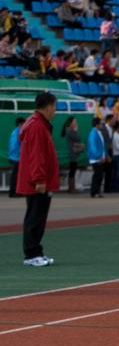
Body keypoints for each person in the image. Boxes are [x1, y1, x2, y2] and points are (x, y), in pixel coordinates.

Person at [18, 92, 60, 267]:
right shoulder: (37, 126)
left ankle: (35, 252)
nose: (55, 111)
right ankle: (32, 253)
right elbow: (37, 156)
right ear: (49, 106)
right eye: (55, 106)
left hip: (39, 179)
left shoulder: (38, 124)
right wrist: (39, 180)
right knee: (35, 217)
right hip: (37, 182)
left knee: (37, 216)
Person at [87, 116, 109, 197]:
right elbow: (93, 147)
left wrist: (106, 155)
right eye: (101, 124)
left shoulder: (99, 133)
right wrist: (98, 157)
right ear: (97, 125)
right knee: (97, 175)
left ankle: (97, 191)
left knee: (100, 175)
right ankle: (94, 192)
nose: (102, 125)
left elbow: (103, 146)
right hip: (96, 159)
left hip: (101, 158)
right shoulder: (93, 133)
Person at [61, 116, 83, 194]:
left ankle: (72, 187)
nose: (75, 123)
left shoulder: (69, 130)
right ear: (70, 123)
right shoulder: (70, 131)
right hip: (72, 153)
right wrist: (76, 131)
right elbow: (78, 138)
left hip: (73, 153)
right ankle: (71, 188)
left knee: (73, 170)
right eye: (74, 122)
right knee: (72, 170)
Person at [7, 117, 22, 198]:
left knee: (16, 176)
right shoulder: (19, 132)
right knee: (16, 176)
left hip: (14, 157)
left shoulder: (14, 132)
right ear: (20, 124)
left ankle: (15, 192)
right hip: (17, 157)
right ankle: (13, 192)